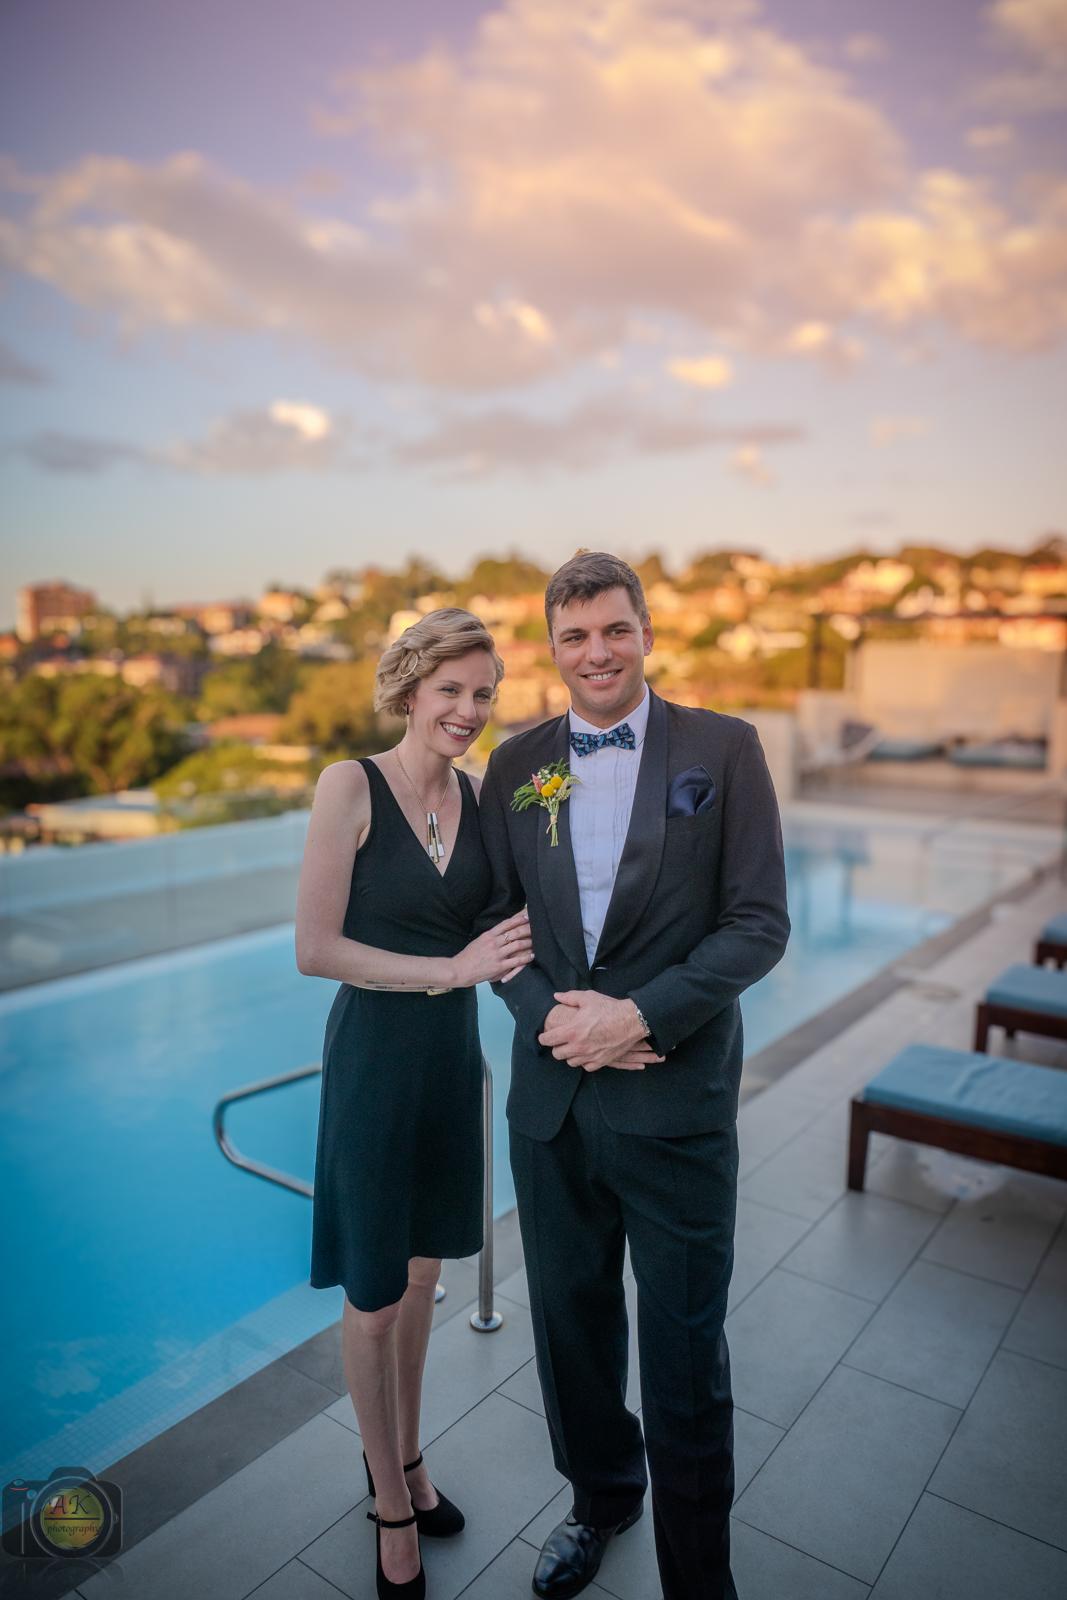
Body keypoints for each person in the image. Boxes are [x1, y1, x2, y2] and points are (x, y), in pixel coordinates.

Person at [477, 552, 790, 1600]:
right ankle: (599, 1499)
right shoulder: (514, 764)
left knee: (683, 1352)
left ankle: (699, 1578)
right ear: (552, 647)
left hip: (674, 1106)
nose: (595, 652)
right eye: (574, 636)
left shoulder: (724, 749)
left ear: (644, 630)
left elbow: (758, 925)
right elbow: (494, 925)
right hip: (553, 1107)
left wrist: (639, 1016)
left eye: (613, 629)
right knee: (570, 1327)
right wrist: (558, 1026)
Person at [295, 608, 533, 1600]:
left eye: (482, 693)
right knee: (374, 1292)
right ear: (408, 688)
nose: (469, 710)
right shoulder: (348, 785)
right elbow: (316, 949)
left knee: (426, 1275)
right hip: (375, 1063)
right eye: (451, 690)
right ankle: (387, 1497)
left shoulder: (483, 804)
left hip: (449, 1063)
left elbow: (512, 930)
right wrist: (450, 968)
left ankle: (407, 1457)